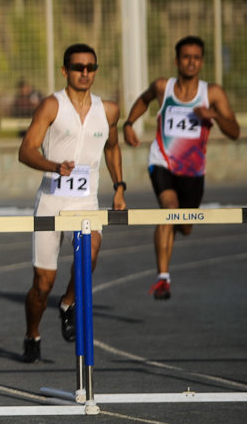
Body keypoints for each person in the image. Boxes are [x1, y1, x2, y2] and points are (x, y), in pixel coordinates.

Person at [18, 43, 126, 363]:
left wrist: (119, 187)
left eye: (90, 68)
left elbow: (112, 148)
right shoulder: (52, 106)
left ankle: (68, 303)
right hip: (52, 200)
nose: (85, 73)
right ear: (65, 71)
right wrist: (54, 166)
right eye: (78, 67)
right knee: (42, 285)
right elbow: (26, 151)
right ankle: (32, 333)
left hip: (85, 202)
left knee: (91, 247)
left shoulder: (108, 111)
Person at [123, 36, 240, 300]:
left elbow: (235, 132)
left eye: (196, 57)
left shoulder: (212, 94)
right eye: (186, 56)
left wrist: (216, 116)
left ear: (202, 62)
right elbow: (144, 99)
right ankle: (163, 278)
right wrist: (129, 123)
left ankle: (174, 230)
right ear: (177, 61)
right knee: (169, 210)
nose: (191, 61)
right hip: (162, 161)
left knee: (185, 226)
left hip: (193, 171)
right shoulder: (164, 86)